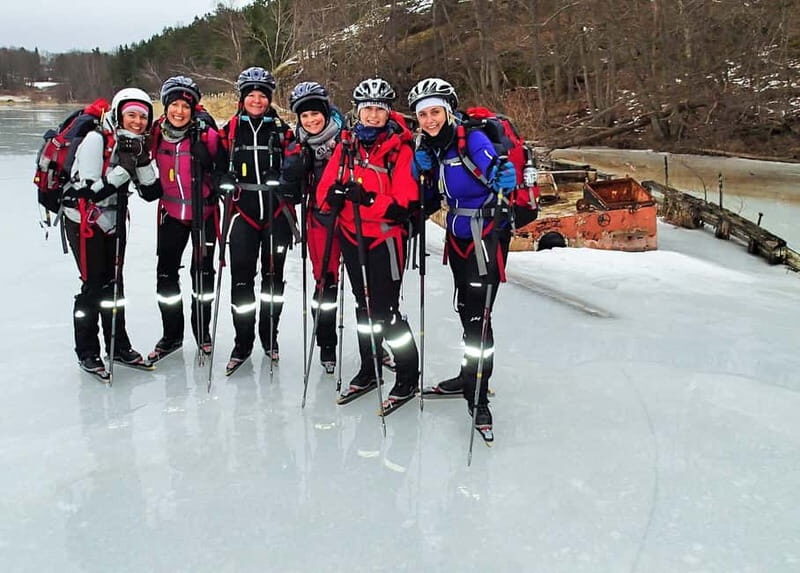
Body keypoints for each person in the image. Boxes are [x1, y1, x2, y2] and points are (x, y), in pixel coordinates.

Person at [408, 77, 518, 436]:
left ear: (448, 110)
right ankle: (467, 375)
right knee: (465, 311)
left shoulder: (472, 139)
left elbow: (496, 172)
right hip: (456, 238)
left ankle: (479, 395)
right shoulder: (432, 147)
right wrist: (420, 171)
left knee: (479, 318)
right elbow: (432, 194)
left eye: (435, 111)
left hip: (485, 236)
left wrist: (504, 176)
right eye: (423, 114)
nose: (430, 119)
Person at [316, 77, 420, 407]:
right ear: (357, 112)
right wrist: (332, 198)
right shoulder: (347, 145)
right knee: (363, 309)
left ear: (388, 113)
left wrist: (370, 199)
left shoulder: (400, 150)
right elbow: (325, 190)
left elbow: (406, 200)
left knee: (385, 312)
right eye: (367, 110)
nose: (372, 116)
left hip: (385, 239)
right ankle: (369, 366)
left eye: (379, 109)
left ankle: (407, 376)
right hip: (352, 235)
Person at [63, 87, 162, 378]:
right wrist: (124, 170)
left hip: (114, 224)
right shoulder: (96, 140)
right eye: (131, 114)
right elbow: (89, 191)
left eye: (143, 117)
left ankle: (118, 345)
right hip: (85, 223)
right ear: (119, 113)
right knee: (93, 286)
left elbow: (151, 192)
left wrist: (140, 162)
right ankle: (87, 351)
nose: (137, 121)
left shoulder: (134, 144)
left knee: (114, 287)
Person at [219, 67, 298, 373]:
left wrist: (284, 174)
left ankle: (270, 338)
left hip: (277, 216)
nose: (256, 100)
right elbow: (213, 164)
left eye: (261, 95)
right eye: (250, 95)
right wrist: (220, 177)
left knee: (273, 282)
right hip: (243, 216)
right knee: (241, 282)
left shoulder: (282, 130)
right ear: (242, 98)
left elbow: (296, 162)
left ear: (269, 99)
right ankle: (242, 343)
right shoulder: (229, 130)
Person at [147, 76, 223, 362]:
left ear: (194, 109)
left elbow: (224, 173)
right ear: (166, 107)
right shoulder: (155, 134)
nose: (179, 111)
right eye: (174, 105)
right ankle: (172, 336)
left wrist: (212, 166)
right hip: (171, 215)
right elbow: (139, 160)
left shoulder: (207, 136)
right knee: (166, 276)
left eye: (185, 106)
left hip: (203, 215)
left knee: (202, 276)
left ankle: (202, 334)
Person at [280, 81, 344, 373]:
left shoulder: (348, 139)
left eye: (315, 113)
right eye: (304, 116)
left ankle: (375, 349)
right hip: (318, 221)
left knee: (366, 288)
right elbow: (291, 192)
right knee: (325, 285)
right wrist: (291, 176)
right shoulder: (297, 144)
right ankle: (326, 346)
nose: (311, 120)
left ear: (326, 111)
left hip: (354, 221)